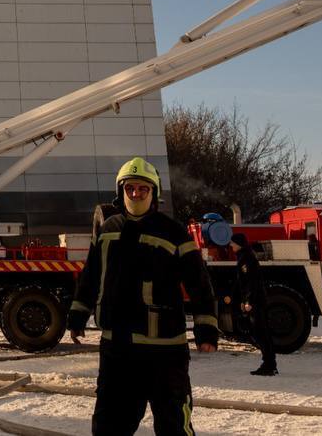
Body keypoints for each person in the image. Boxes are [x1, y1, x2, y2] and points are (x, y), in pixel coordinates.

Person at [68, 156, 219, 436]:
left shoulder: (174, 232)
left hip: (164, 352)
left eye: (142, 188)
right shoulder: (107, 230)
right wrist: (78, 314)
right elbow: (91, 275)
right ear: (121, 191)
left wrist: (206, 329)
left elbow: (199, 283)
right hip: (117, 350)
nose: (136, 194)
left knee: (174, 426)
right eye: (130, 188)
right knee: (108, 427)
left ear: (154, 193)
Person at [229, 233, 277, 376]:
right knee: (260, 333)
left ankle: (269, 365)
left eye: (233, 243)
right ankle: (270, 364)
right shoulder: (244, 257)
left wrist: (249, 301)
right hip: (254, 301)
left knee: (261, 333)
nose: (231, 245)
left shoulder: (247, 259)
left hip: (256, 302)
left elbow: (251, 283)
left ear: (239, 244)